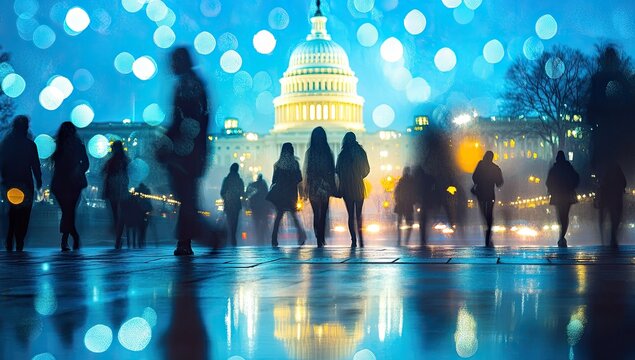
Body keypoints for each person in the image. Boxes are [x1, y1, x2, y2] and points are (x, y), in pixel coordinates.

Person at [157, 47, 210, 256]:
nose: (171, 66)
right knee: (187, 197)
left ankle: (202, 237)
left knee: (186, 197)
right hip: (191, 148)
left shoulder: (188, 85)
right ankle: (190, 239)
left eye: (174, 62)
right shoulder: (191, 83)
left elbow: (185, 119)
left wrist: (169, 142)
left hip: (187, 150)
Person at [0, 115, 42, 252]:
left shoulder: (6, 144)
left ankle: (10, 237)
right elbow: (35, 165)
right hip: (25, 183)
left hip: (10, 183)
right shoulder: (30, 145)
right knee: (24, 213)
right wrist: (39, 181)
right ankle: (19, 239)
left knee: (12, 212)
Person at [51, 122, 89, 252]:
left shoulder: (59, 146)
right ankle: (72, 237)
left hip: (63, 183)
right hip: (73, 183)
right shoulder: (78, 146)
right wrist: (78, 170)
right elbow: (86, 164)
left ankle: (66, 239)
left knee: (67, 211)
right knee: (69, 211)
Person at [267, 143, 306, 247]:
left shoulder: (277, 164)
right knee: (294, 216)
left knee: (278, 217)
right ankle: (301, 236)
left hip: (280, 194)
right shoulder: (295, 163)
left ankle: (274, 239)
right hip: (291, 193)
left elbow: (274, 180)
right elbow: (299, 179)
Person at [303, 127, 336, 248]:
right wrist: (332, 186)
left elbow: (307, 170)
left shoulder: (310, 152)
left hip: (313, 186)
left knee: (316, 212)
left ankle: (318, 236)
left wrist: (306, 187)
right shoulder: (328, 152)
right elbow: (332, 170)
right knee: (323, 213)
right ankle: (321, 236)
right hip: (325, 186)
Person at [336, 132, 370, 248]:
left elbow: (337, 170)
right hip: (358, 185)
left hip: (346, 187)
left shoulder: (342, 154)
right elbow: (367, 169)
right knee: (359, 215)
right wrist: (359, 176)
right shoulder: (361, 152)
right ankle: (361, 238)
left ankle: (354, 240)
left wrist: (345, 177)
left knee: (351, 215)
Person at [546, 151, 580, 248]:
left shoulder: (554, 169)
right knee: (565, 215)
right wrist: (572, 187)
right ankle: (562, 236)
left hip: (557, 196)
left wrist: (551, 190)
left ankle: (561, 235)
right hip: (568, 195)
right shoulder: (568, 168)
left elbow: (548, 182)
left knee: (560, 215)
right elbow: (576, 177)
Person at [472, 151, 503, 247]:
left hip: (480, 193)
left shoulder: (480, 165)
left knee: (483, 212)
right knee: (489, 213)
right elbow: (499, 183)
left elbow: (474, 177)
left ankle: (487, 226)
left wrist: (480, 181)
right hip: (490, 194)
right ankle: (489, 228)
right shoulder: (495, 168)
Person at [103, 141, 129, 249]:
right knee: (120, 214)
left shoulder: (110, 161)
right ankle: (119, 236)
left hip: (113, 187)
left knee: (115, 214)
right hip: (121, 187)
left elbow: (105, 173)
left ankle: (118, 236)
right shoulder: (125, 160)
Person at [598, 161, 626, 248]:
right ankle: (613, 237)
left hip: (609, 200)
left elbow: (602, 187)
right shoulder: (619, 175)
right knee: (616, 219)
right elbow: (624, 183)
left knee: (612, 218)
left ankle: (610, 237)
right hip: (617, 199)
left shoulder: (606, 177)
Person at [220, 163, 244, 246]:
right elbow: (242, 193)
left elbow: (222, 192)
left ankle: (230, 236)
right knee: (236, 221)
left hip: (228, 203)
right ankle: (233, 236)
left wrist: (226, 198)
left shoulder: (226, 179)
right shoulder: (239, 180)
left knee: (229, 220)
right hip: (236, 204)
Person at [246, 174, 271, 245]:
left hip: (256, 208)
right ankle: (266, 238)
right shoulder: (264, 185)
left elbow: (249, 193)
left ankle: (259, 238)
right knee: (265, 223)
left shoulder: (254, 185)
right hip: (263, 208)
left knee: (256, 223)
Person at [394, 167, 416, 245]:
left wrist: (397, 200)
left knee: (400, 223)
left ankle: (399, 239)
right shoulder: (411, 182)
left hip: (400, 205)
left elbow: (396, 192)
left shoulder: (401, 181)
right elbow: (413, 193)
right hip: (408, 205)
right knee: (409, 223)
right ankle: (406, 240)